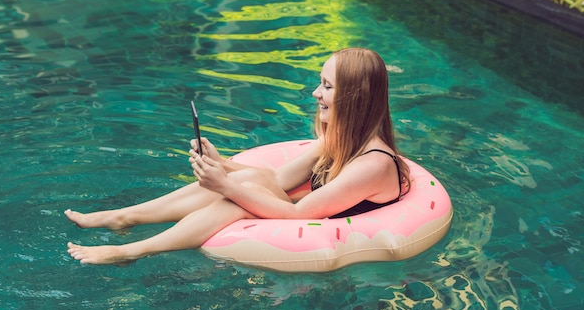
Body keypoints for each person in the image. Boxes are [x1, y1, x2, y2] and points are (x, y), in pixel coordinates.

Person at [65, 48, 410, 265]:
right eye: (320, 83)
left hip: (327, 232)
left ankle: (132, 250)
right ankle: (124, 217)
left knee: (241, 195)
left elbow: (296, 214)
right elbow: (275, 180)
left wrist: (225, 185)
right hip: (304, 214)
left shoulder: (374, 164)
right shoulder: (338, 140)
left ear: (354, 96)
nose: (316, 92)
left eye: (328, 86)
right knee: (251, 180)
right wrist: (222, 164)